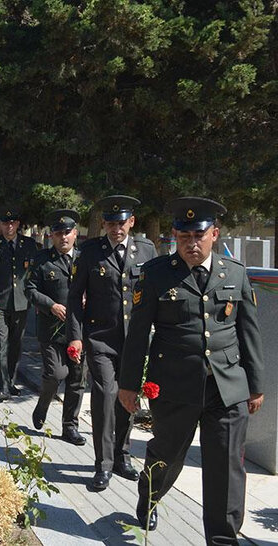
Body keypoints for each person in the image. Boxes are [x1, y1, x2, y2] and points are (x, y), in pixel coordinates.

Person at [119, 197, 264, 541]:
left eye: (198, 235)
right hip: (174, 387)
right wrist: (128, 385)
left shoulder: (236, 274)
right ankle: (149, 497)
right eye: (183, 236)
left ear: (214, 234)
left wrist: (255, 386)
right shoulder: (155, 275)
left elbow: (249, 334)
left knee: (226, 470)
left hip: (226, 388)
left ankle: (222, 539)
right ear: (174, 236)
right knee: (166, 458)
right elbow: (137, 334)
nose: (191, 243)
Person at [66, 195, 157, 490]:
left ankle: (122, 455)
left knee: (127, 398)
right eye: (111, 223)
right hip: (101, 338)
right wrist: (77, 336)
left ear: (131, 222)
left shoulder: (146, 249)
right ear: (104, 224)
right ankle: (102, 464)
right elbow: (75, 300)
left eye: (122, 223)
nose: (116, 228)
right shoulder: (91, 252)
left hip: (133, 341)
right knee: (105, 396)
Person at [25, 210, 86, 445]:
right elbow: (29, 289)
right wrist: (50, 305)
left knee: (77, 379)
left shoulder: (84, 260)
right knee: (56, 374)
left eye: (67, 233)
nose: (63, 237)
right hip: (51, 329)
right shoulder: (42, 260)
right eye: (58, 233)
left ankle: (70, 427)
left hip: (79, 330)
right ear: (52, 236)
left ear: (75, 234)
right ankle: (43, 405)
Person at [0, 210, 38, 399]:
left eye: (12, 223)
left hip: (21, 302)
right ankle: (3, 386)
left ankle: (11, 381)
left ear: (18, 224)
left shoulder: (28, 245)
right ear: (1, 225)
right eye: (5, 223)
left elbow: (34, 275)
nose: (9, 227)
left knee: (15, 344)